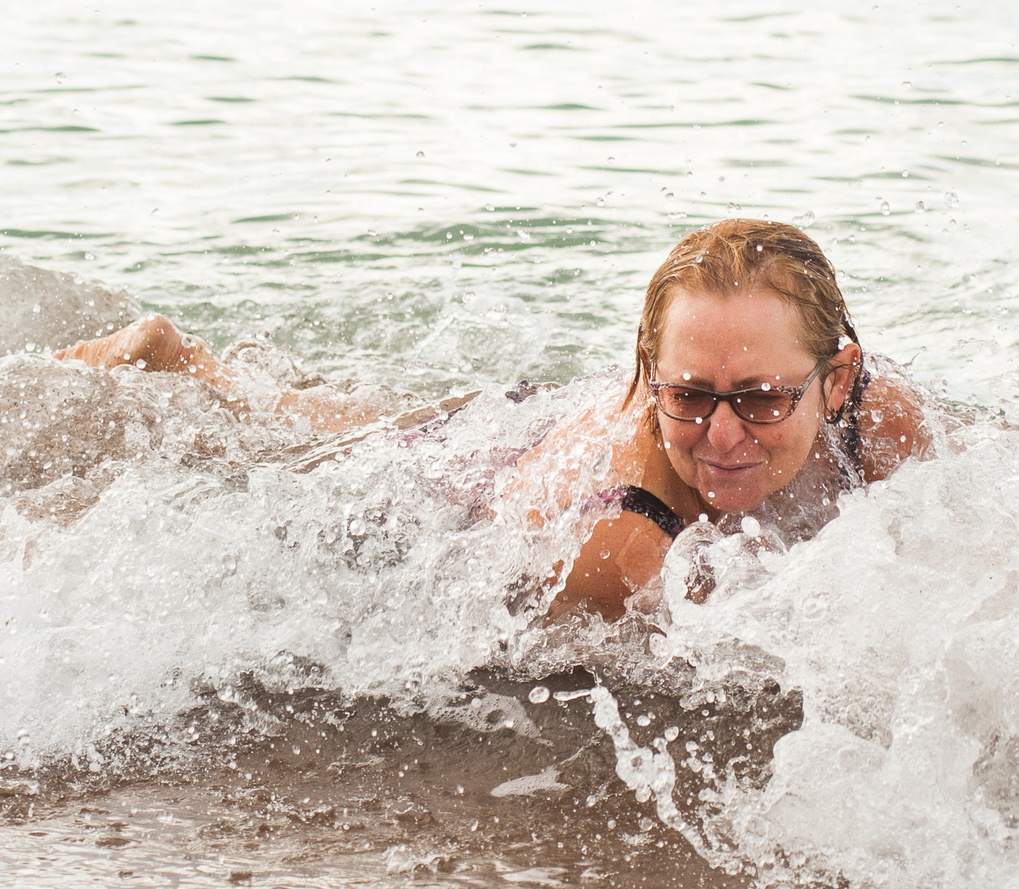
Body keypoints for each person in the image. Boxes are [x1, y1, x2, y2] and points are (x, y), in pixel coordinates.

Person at [57, 219, 932, 619]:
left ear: (836, 377)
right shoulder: (630, 549)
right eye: (689, 395)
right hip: (464, 476)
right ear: (649, 374)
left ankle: (197, 365)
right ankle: (175, 362)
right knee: (301, 441)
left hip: (541, 422)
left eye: (765, 399)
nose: (726, 434)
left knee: (328, 411)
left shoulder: (881, 415)